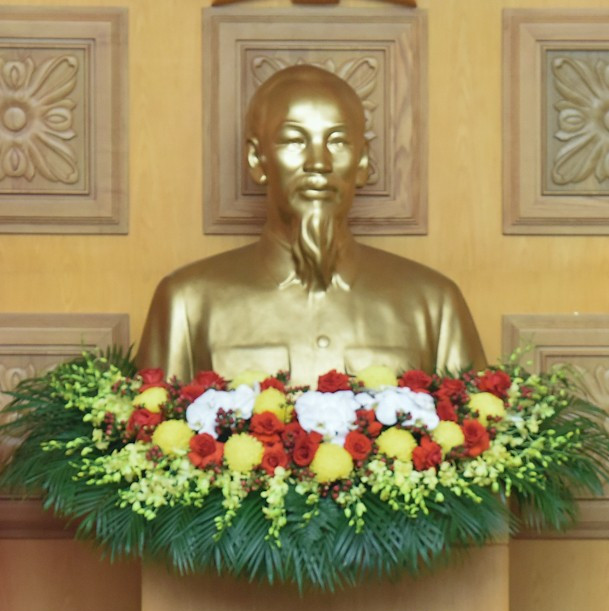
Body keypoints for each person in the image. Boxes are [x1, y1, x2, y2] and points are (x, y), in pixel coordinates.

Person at [136, 64, 484, 387]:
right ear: (257, 159)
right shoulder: (187, 302)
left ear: (362, 161)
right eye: (294, 140)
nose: (318, 162)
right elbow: (149, 439)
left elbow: (479, 439)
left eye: (337, 141)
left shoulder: (434, 304)